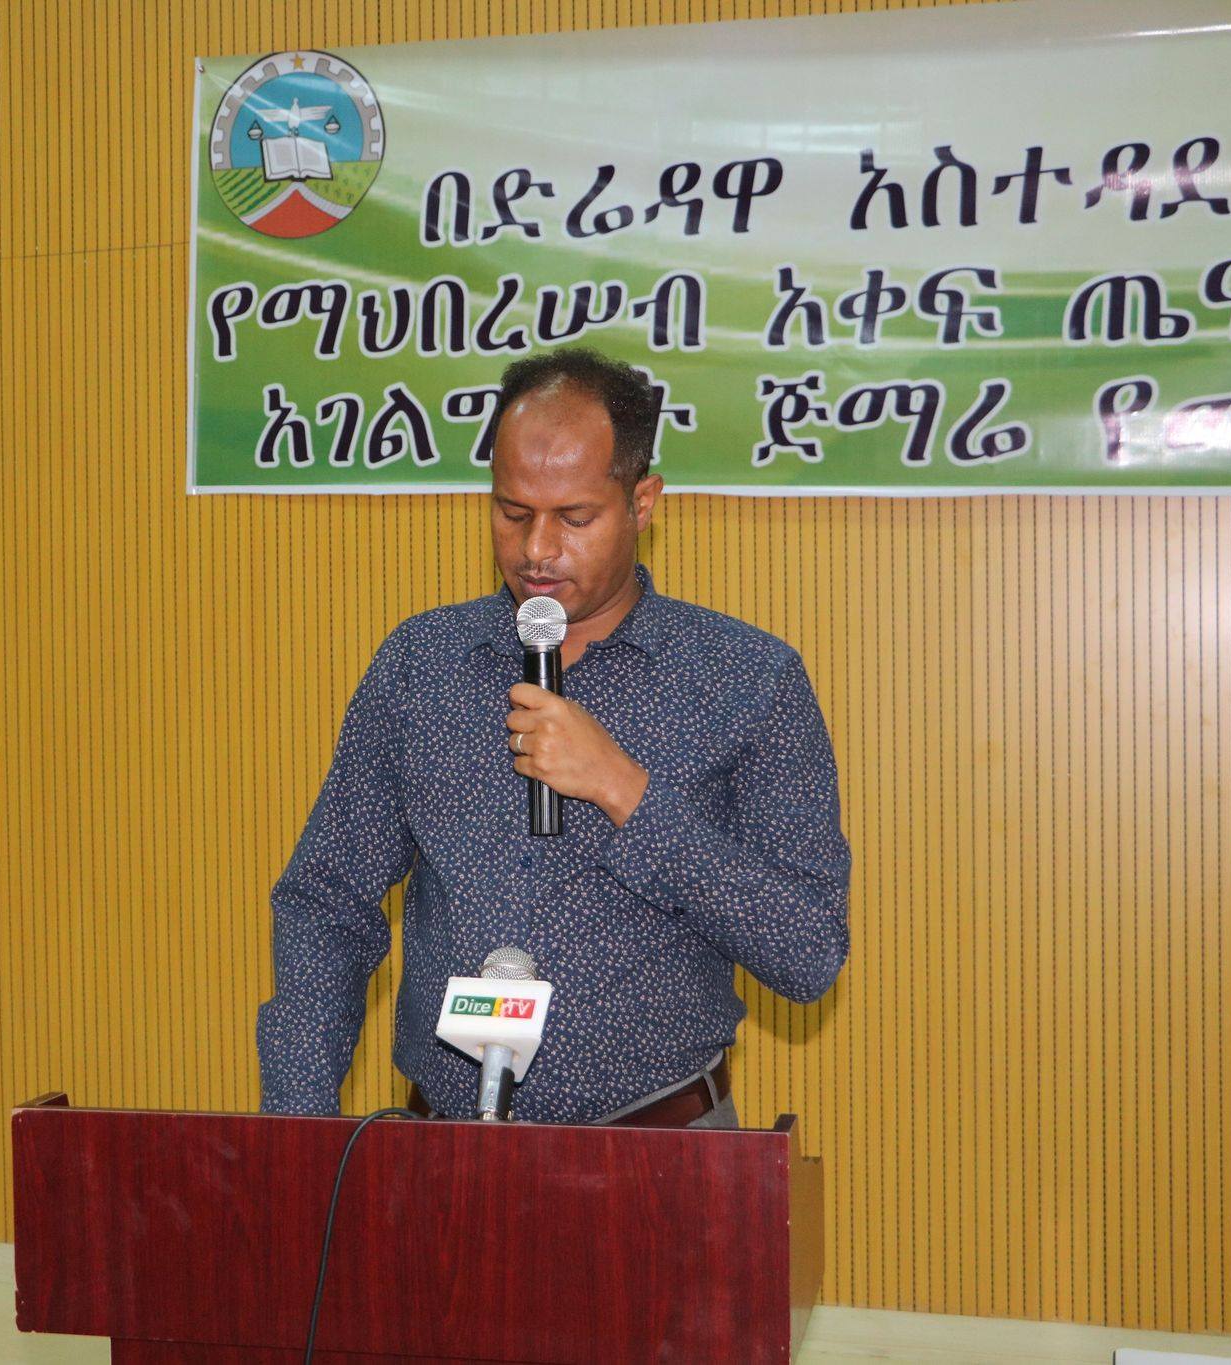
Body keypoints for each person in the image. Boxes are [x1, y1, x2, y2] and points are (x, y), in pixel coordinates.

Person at [257, 348, 851, 1127]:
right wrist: (297, 1132)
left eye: (574, 517)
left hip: (663, 1154)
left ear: (642, 502)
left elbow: (807, 951)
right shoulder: (423, 665)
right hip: (446, 1153)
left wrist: (624, 789)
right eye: (512, 512)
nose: (536, 549)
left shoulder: (745, 677)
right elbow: (326, 903)